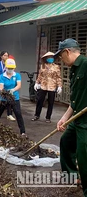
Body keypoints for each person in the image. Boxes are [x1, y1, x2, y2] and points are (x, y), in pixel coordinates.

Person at [56, 38, 87, 195]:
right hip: (76, 118)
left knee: (84, 157)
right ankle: (72, 175)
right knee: (66, 141)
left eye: (61, 56)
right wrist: (65, 119)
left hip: (86, 123)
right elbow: (75, 100)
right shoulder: (74, 69)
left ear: (67, 51)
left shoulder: (86, 64)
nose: (61, 60)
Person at [0, 59, 26, 136]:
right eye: (9, 68)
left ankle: (23, 131)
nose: (10, 70)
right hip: (4, 98)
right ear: (6, 67)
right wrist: (4, 92)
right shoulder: (2, 76)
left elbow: (19, 85)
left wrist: (13, 89)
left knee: (18, 113)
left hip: (14, 97)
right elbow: (1, 87)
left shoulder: (17, 75)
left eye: (12, 68)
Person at [32, 52, 62, 123]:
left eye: (51, 57)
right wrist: (37, 83)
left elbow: (58, 77)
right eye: (49, 57)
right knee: (40, 100)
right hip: (43, 85)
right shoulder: (43, 66)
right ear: (46, 58)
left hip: (52, 86)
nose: (50, 58)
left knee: (51, 102)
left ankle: (48, 117)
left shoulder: (56, 67)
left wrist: (60, 86)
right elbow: (40, 75)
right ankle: (37, 115)